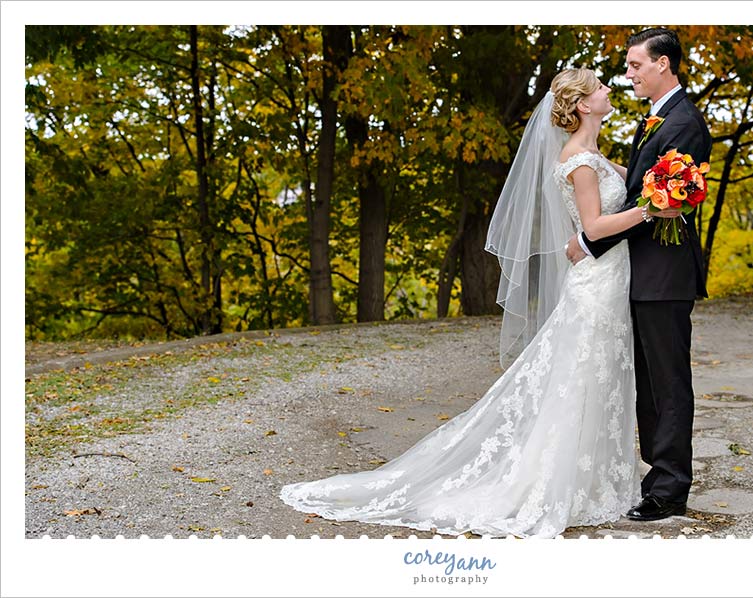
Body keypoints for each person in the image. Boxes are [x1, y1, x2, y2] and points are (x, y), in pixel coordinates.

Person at [280, 67, 680, 538]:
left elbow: (632, 188)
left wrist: (669, 184)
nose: (610, 88)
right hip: (596, 284)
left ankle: (597, 479)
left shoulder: (594, 154)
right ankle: (555, 483)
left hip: (611, 279)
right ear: (583, 104)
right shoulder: (579, 160)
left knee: (603, 377)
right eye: (600, 86)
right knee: (582, 378)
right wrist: (651, 210)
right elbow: (593, 228)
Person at [566, 28, 712, 521]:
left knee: (667, 383)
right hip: (640, 270)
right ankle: (657, 478)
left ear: (662, 64)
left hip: (664, 272)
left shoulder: (683, 122)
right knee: (649, 383)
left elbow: (658, 205)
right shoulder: (658, 118)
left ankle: (669, 489)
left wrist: (590, 242)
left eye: (635, 65)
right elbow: (641, 193)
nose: (628, 74)